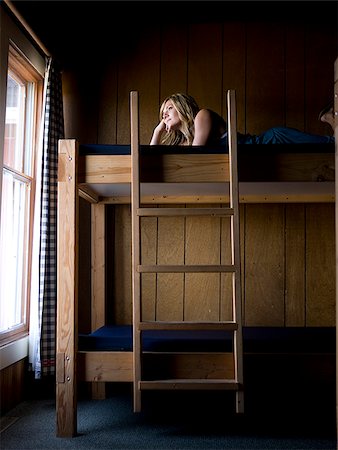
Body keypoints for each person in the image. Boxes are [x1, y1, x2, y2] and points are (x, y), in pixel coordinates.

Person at [150, 93, 335, 147]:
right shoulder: (184, 141)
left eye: (169, 108)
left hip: (268, 142)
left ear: (182, 107)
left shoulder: (202, 115)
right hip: (263, 144)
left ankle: (332, 120)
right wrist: (157, 132)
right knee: (331, 145)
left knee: (331, 146)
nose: (164, 114)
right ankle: (331, 120)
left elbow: (194, 157)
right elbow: (151, 161)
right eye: (162, 112)